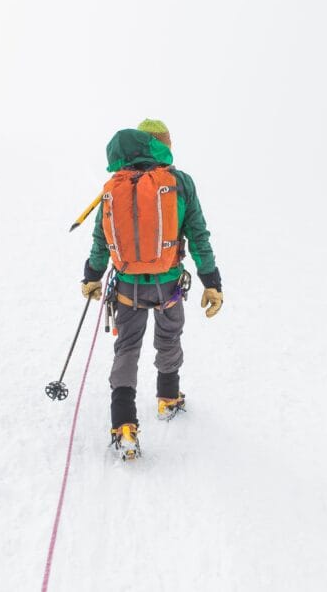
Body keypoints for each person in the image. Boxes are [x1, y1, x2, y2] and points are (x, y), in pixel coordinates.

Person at [80, 119, 223, 459]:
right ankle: (168, 398)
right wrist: (212, 282)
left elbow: (101, 239)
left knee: (127, 347)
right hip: (168, 284)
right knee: (169, 337)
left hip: (127, 285)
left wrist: (91, 275)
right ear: (162, 145)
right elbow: (198, 234)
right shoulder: (180, 182)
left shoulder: (115, 185)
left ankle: (124, 423)